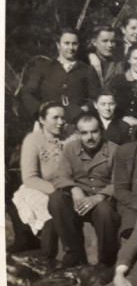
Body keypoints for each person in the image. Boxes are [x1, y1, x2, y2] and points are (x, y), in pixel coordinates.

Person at [48, 112, 120, 268]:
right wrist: (74, 188)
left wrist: (99, 197)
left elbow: (119, 183)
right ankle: (74, 253)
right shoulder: (70, 148)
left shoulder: (115, 151)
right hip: (79, 201)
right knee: (56, 199)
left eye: (94, 132)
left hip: (102, 201)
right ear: (78, 134)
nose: (90, 137)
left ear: (101, 131)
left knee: (105, 211)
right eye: (84, 133)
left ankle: (106, 261)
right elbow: (59, 175)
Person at [13, 101, 78, 258]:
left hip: (70, 185)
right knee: (51, 206)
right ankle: (50, 256)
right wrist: (54, 190)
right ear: (42, 120)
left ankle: (67, 255)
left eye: (63, 118)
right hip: (41, 187)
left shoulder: (72, 137)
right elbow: (30, 178)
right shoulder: (33, 140)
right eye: (55, 118)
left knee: (61, 202)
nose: (60, 122)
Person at [20, 29, 100, 124]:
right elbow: (27, 93)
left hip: (76, 123)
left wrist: (83, 109)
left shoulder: (87, 70)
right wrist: (41, 109)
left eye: (74, 44)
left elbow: (96, 98)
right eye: (66, 43)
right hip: (46, 123)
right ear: (58, 45)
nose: (71, 47)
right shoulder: (43, 67)